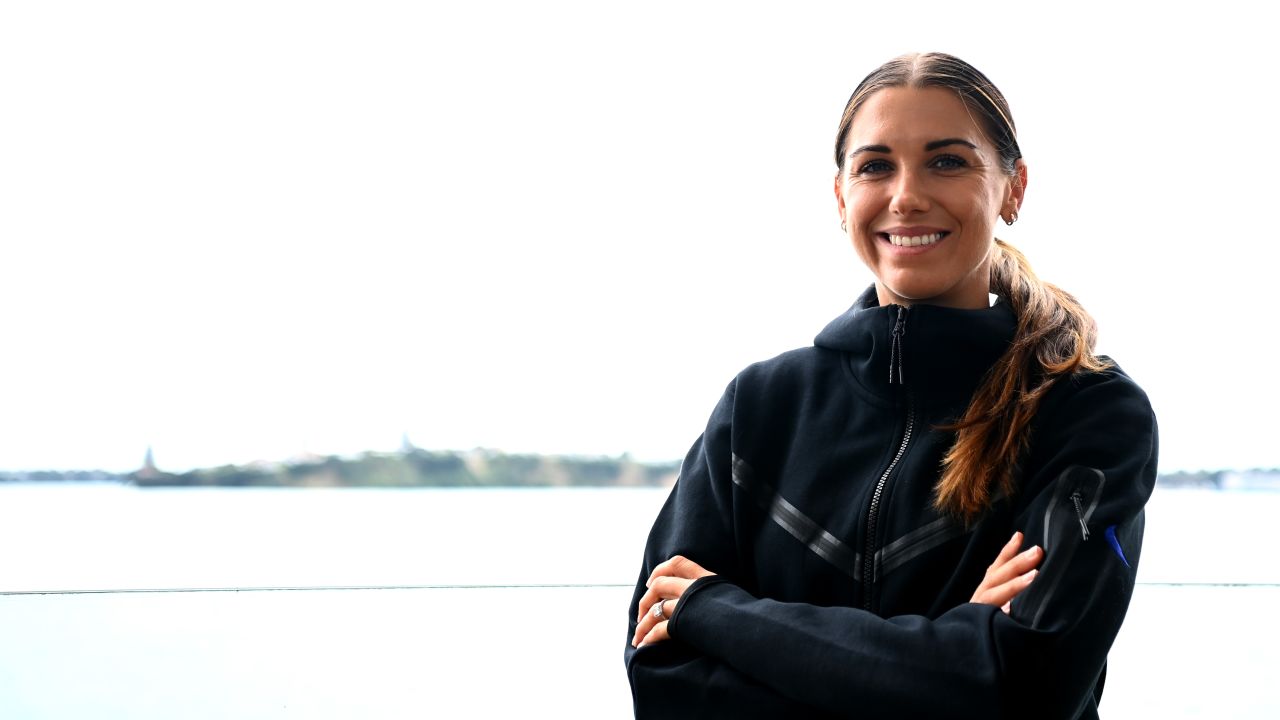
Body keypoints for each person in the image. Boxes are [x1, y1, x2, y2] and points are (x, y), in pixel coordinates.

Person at [623, 52, 1158, 719]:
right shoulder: (759, 408)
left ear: (1013, 188)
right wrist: (945, 661)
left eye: (947, 161)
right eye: (876, 165)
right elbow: (664, 683)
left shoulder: (1088, 412)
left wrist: (717, 613)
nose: (906, 195)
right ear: (842, 195)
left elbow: (1026, 687)